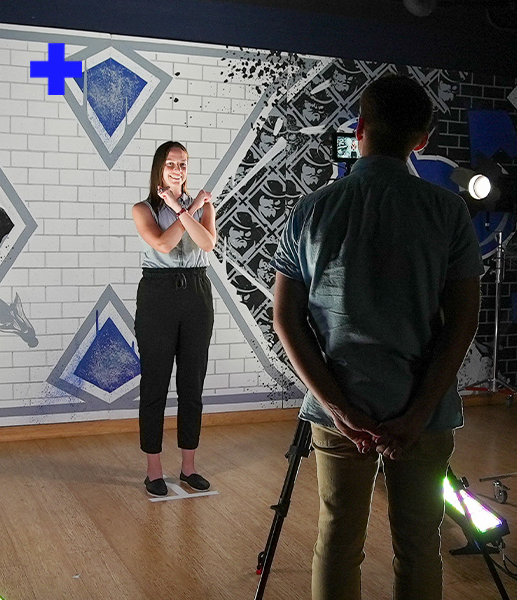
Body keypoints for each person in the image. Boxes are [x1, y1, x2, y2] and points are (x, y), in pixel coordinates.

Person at [271, 75, 482, 599]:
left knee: (337, 541)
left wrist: (338, 409)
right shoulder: (448, 212)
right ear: (422, 140)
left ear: (359, 128)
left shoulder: (311, 210)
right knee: (419, 545)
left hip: (340, 412)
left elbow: (285, 320)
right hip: (423, 415)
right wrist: (415, 415)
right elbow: (462, 323)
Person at [131, 141, 219, 497]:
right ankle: (154, 470)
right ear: (159, 168)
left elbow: (207, 243)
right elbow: (164, 245)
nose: (177, 169)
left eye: (182, 163)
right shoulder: (142, 209)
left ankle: (188, 467)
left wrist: (188, 208)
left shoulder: (203, 206)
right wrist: (182, 207)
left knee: (192, 383)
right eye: (170, 163)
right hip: (158, 294)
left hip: (197, 294)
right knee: (155, 383)